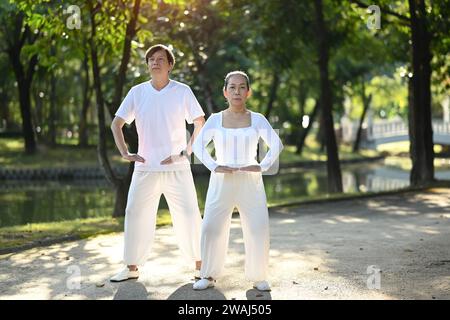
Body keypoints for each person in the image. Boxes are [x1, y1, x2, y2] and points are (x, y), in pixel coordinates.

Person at [109, 44, 205, 282]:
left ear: (170, 65)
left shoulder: (182, 91)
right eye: (151, 59)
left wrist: (185, 152)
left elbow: (200, 121)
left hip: (177, 167)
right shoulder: (137, 92)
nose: (155, 62)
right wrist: (125, 152)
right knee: (134, 213)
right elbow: (116, 124)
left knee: (189, 214)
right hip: (145, 167)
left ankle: (201, 266)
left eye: (160, 59)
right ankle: (131, 267)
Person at [191, 71, 283, 291]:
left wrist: (260, 165)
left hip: (250, 181)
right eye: (232, 87)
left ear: (248, 92)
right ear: (225, 91)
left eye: (242, 87)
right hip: (221, 180)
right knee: (211, 228)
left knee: (258, 227)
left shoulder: (258, 119)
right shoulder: (214, 119)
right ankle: (208, 275)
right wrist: (215, 165)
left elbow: (276, 144)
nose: (237, 91)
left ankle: (259, 276)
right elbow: (197, 147)